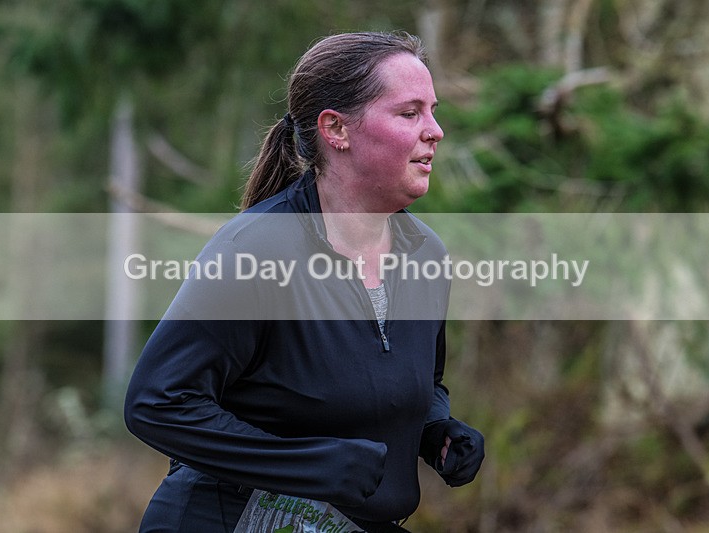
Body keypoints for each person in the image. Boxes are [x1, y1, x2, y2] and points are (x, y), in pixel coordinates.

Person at [124, 31, 485, 532]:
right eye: (410, 113)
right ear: (336, 129)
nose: (435, 131)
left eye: (433, 110)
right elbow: (157, 402)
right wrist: (303, 466)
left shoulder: (426, 255)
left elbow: (419, 380)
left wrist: (434, 430)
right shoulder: (257, 250)